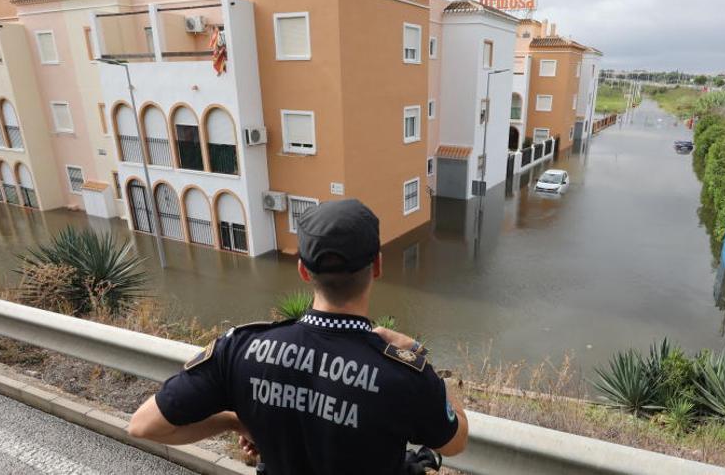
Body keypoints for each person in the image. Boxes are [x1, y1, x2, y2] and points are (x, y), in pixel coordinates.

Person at [127, 199, 469, 474]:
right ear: (377, 266)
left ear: (304, 270)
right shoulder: (403, 374)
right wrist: (416, 351)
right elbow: (454, 443)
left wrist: (233, 421)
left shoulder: (240, 349)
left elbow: (143, 426)